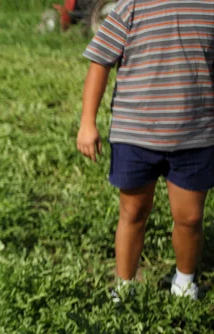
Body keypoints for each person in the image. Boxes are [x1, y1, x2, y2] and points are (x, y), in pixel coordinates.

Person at [77, 0, 214, 301]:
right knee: (133, 212)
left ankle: (185, 284)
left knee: (190, 218)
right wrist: (88, 122)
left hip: (195, 136)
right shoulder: (131, 7)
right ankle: (125, 287)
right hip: (135, 135)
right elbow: (100, 62)